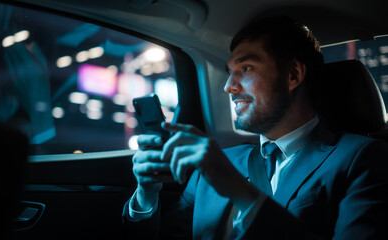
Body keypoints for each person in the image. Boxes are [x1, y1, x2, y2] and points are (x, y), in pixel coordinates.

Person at [122, 16, 388, 239]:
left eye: (246, 68)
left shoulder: (362, 159)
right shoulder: (219, 162)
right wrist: (146, 197)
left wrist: (237, 188)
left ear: (293, 74)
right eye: (229, 71)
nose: (229, 86)